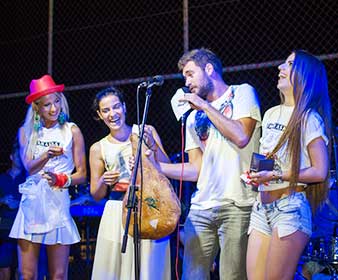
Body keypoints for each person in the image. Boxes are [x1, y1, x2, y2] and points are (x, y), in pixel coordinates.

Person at [152, 48, 261, 279]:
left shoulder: (241, 93)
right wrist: (155, 167)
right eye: (184, 77)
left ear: (209, 69)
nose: (187, 82)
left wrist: (204, 107)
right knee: (192, 276)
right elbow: (196, 169)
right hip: (201, 207)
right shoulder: (193, 117)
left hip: (237, 203)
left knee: (233, 275)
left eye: (191, 74)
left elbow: (241, 136)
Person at [246, 50, 332, 280]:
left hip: (289, 208)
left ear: (305, 75)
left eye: (290, 64)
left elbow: (319, 171)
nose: (280, 68)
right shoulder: (271, 113)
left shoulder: (309, 118)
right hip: (261, 207)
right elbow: (267, 158)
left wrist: (276, 175)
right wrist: (256, 175)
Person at [9, 74, 87, 280]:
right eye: (47, 105)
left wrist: (62, 179)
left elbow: (82, 174)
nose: (54, 109)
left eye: (56, 102)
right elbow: (29, 168)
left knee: (58, 275)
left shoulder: (72, 130)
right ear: (37, 108)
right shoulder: (26, 132)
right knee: (26, 274)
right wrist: (46, 155)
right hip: (32, 204)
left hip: (58, 203)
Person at [89, 86, 172, 280]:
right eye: (106, 110)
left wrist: (150, 154)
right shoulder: (98, 148)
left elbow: (167, 167)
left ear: (125, 107)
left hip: (149, 206)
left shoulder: (145, 131)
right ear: (99, 115)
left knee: (148, 268)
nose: (112, 114)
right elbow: (96, 193)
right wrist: (103, 180)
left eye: (116, 107)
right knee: (115, 269)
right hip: (117, 210)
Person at [0, 138, 26, 280]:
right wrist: (3, 201)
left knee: (22, 268)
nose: (20, 159)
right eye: (18, 155)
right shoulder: (2, 178)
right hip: (4, 229)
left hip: (23, 228)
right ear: (11, 157)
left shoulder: (27, 179)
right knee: (4, 264)